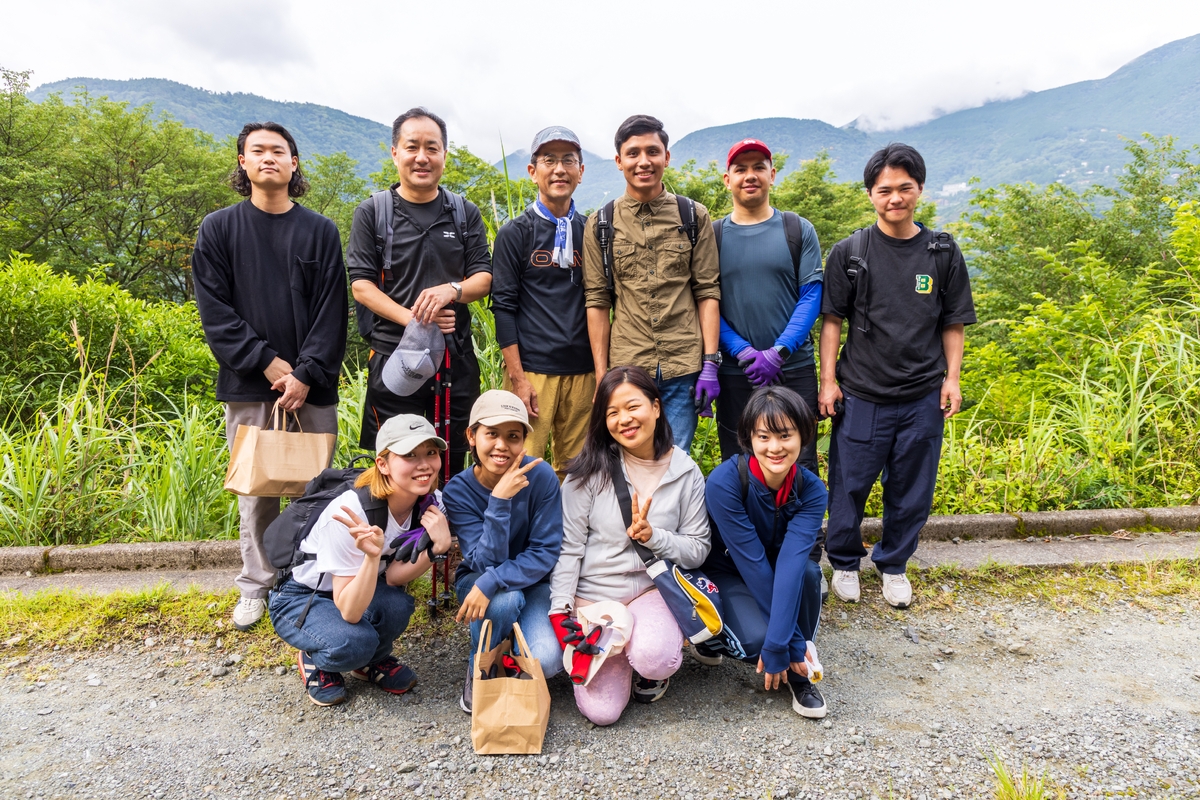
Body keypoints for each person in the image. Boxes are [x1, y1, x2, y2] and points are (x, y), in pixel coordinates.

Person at [192, 122, 347, 632]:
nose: (268, 158)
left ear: (294, 162)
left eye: (278, 151)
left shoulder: (320, 231)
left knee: (314, 486)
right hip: (249, 382)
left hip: (313, 385)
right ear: (242, 162)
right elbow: (214, 312)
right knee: (257, 491)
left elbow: (332, 313)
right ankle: (255, 583)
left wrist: (303, 373)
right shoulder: (219, 229)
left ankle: (307, 578)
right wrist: (266, 361)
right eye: (256, 151)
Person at [818, 143, 976, 609]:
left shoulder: (941, 251)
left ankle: (894, 564)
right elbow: (832, 321)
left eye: (905, 188)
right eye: (885, 189)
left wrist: (952, 378)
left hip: (923, 393)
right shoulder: (851, 251)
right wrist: (828, 381)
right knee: (849, 483)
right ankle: (844, 562)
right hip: (863, 392)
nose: (895, 198)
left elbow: (952, 321)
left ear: (919, 190)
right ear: (870, 194)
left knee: (913, 486)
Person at [550, 366, 711, 726]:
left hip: (649, 591)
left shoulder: (686, 472)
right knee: (602, 713)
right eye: (612, 412)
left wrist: (654, 537)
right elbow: (569, 547)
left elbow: (698, 549)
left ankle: (640, 657)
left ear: (656, 407)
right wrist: (561, 612)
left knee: (657, 658)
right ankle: (617, 655)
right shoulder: (587, 473)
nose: (624, 419)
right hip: (594, 598)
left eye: (632, 406)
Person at [267, 414, 453, 707]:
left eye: (431, 453)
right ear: (383, 464)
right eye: (409, 455)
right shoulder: (350, 513)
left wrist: (436, 550)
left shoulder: (430, 503)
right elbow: (351, 611)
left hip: (358, 586)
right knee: (354, 641)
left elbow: (392, 578)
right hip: (302, 596)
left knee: (398, 605)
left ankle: (370, 662)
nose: (424, 464)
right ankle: (317, 658)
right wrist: (371, 556)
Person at [347, 107, 492, 476]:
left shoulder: (463, 213)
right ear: (395, 152)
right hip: (395, 355)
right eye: (412, 147)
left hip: (454, 359)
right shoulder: (373, 212)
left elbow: (484, 277)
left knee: (457, 452)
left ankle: (451, 530)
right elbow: (362, 285)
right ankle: (397, 533)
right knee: (397, 457)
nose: (422, 157)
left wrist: (452, 290)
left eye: (433, 147)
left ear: (444, 154)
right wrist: (416, 319)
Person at [582, 115, 721, 452]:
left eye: (652, 151)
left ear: (666, 157)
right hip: (629, 366)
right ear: (619, 162)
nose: (643, 162)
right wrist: (603, 375)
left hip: (683, 365)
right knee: (631, 459)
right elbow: (598, 301)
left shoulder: (693, 216)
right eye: (633, 153)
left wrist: (710, 363)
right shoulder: (601, 224)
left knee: (676, 460)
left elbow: (707, 291)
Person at [700, 386, 829, 719]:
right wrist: (781, 644)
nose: (775, 448)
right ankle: (711, 640)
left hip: (774, 571)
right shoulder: (725, 482)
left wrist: (785, 644)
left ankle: (799, 674)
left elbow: (790, 564)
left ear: (804, 434)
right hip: (729, 571)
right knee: (758, 641)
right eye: (764, 437)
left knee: (810, 574)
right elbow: (752, 562)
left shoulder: (811, 490)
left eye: (785, 435)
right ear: (749, 438)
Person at [443, 390, 565, 714]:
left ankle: (508, 645)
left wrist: (495, 579)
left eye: (513, 436)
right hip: (479, 580)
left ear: (524, 440)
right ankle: (479, 662)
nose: (501, 446)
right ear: (472, 436)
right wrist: (498, 501)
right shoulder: (458, 490)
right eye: (491, 434)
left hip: (533, 581)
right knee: (505, 600)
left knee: (549, 661)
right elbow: (483, 563)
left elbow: (544, 551)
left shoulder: (541, 476)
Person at [490, 126, 594, 479]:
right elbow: (503, 307)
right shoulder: (515, 233)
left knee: (578, 471)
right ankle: (519, 535)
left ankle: (571, 535)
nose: (560, 169)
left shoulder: (592, 231)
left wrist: (602, 374)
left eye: (569, 160)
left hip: (584, 374)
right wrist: (518, 380)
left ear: (581, 171)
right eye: (549, 160)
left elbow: (601, 303)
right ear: (533, 171)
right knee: (519, 467)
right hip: (532, 372)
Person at [714, 138, 823, 472]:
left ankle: (803, 526)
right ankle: (745, 527)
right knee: (740, 463)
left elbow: (811, 295)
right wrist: (743, 352)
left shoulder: (797, 229)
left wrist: (780, 351)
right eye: (741, 169)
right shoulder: (713, 235)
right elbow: (705, 303)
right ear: (727, 179)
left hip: (793, 369)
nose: (750, 175)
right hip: (736, 373)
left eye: (759, 168)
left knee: (799, 461)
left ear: (772, 175)